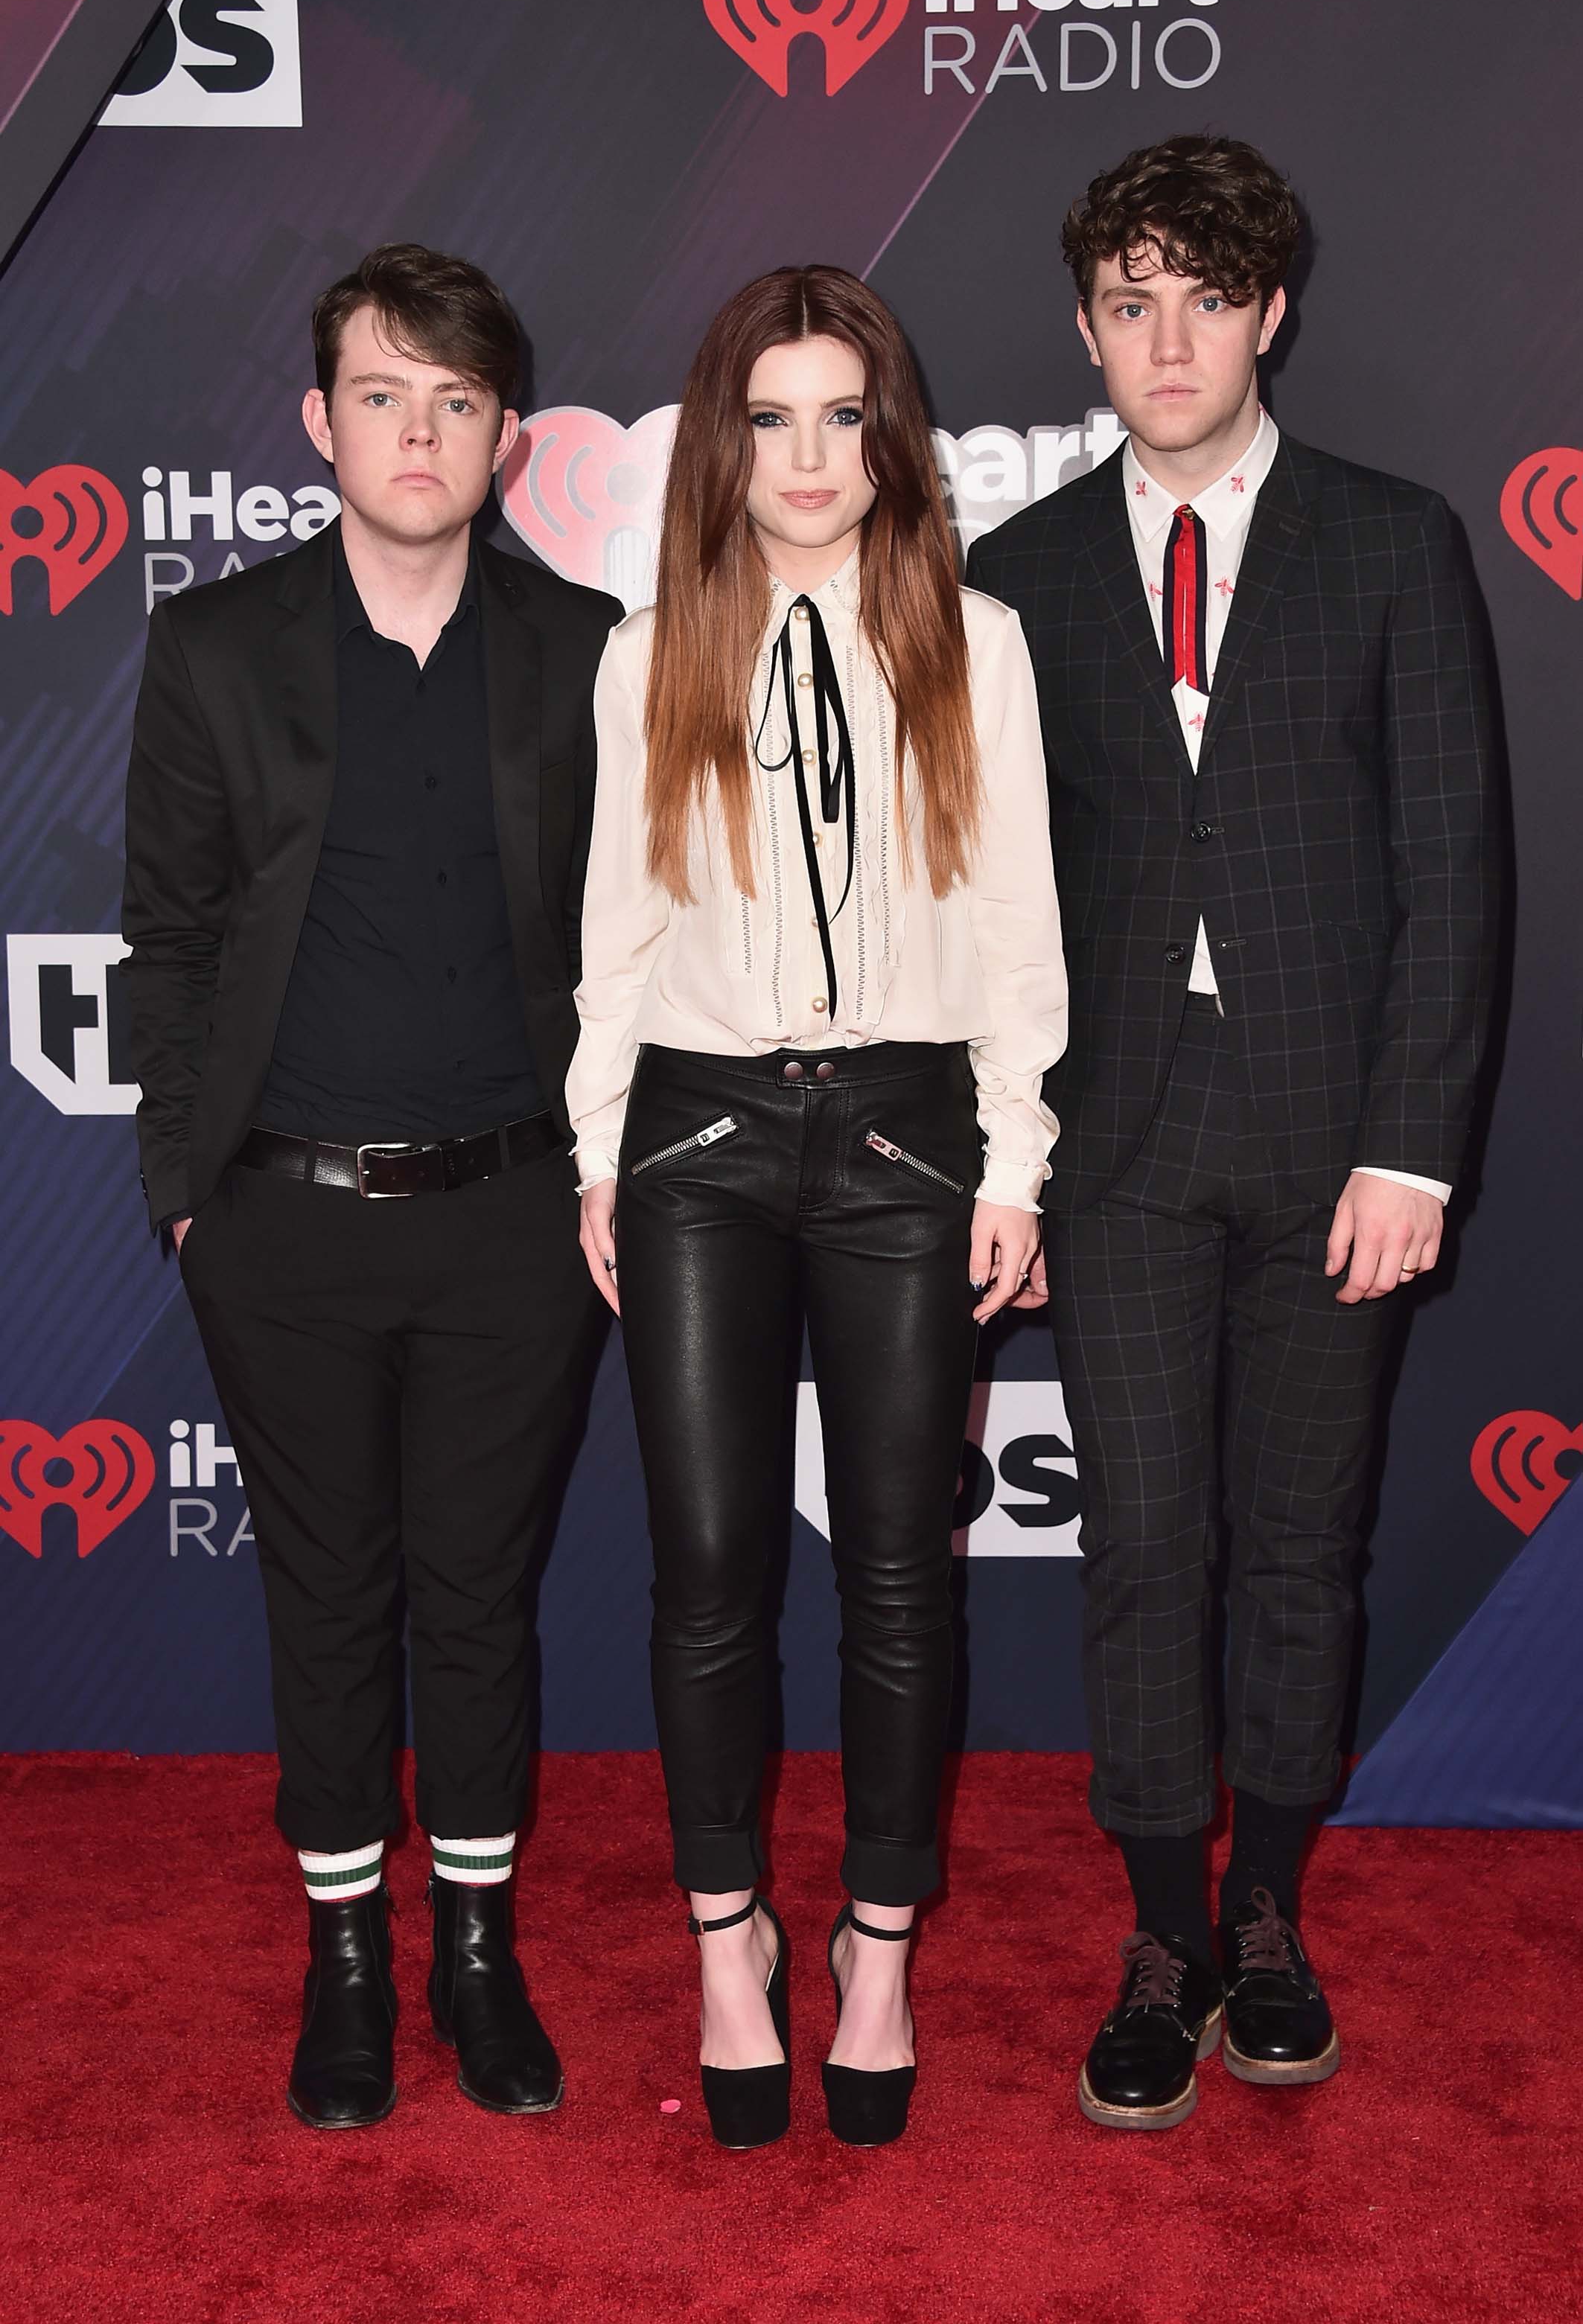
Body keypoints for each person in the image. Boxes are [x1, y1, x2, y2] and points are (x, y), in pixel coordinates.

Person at [967, 135, 1496, 2131]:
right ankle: (1157, 1937)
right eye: (1127, 301)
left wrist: (1410, 1146)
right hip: (1115, 1141)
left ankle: (1265, 1916)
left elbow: (1450, 873)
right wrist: (998, 1163)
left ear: (1267, 312)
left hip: (1326, 1146)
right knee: (1141, 1557)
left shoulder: (1391, 541)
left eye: (1201, 296)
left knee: (1296, 1549)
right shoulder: (1008, 580)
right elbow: (983, 906)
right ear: (1083, 329)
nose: (1162, 337)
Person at [121, 243, 622, 2130]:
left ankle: (476, 1957)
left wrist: (606, 1179)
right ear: (322, 424)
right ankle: (344, 1965)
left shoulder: (584, 649)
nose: (421, 431)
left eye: (459, 399)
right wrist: (188, 1184)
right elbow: (161, 938)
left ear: (507, 435)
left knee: (479, 1600)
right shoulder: (218, 647)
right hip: (281, 1219)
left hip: (519, 1217)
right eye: (384, 396)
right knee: (329, 1597)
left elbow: (645, 937)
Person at [567, 264, 1066, 2149]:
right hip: (693, 1134)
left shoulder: (976, 641)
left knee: (892, 1568)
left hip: (906, 1135)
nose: (804, 456)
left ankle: (873, 1946)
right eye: (767, 418)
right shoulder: (647, 652)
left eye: (840, 415)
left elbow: (1020, 927)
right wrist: (600, 1150)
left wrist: (1014, 1160)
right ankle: (724, 1942)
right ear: (722, 440)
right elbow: (614, 938)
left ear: (889, 435)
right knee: (704, 1572)